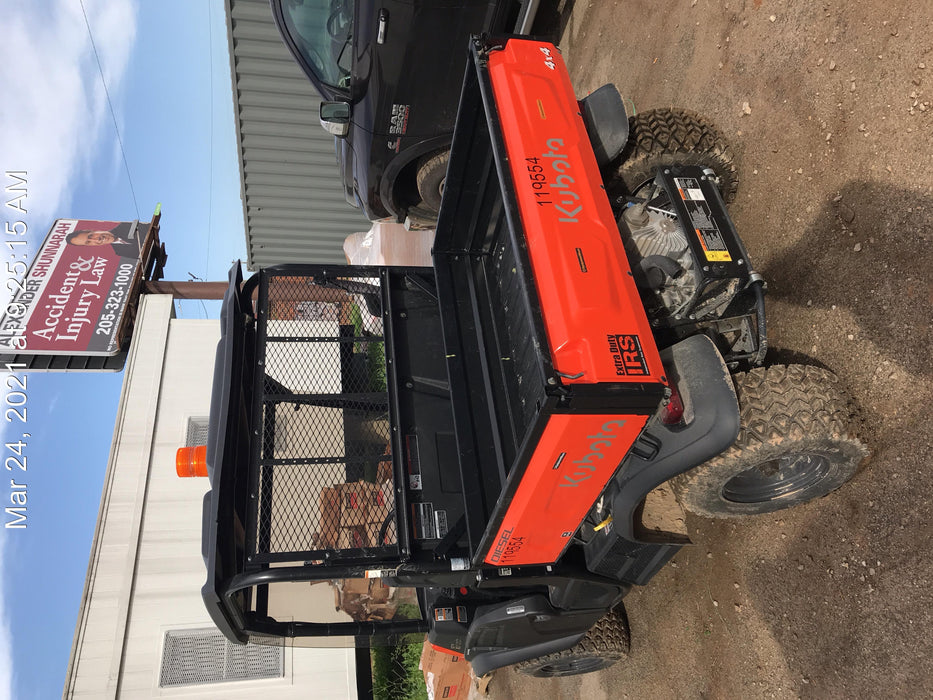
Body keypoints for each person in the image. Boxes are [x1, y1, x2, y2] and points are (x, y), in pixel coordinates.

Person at [65, 221, 140, 258]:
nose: (97, 240)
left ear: (92, 230)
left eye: (91, 236)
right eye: (88, 242)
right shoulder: (119, 252)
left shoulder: (125, 226)